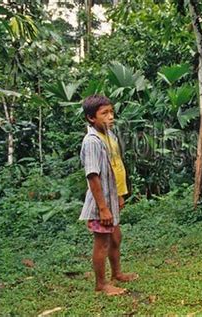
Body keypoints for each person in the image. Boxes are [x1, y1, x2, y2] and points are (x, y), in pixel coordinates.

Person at [79, 95, 138, 296]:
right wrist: (103, 208)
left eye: (111, 112)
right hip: (100, 203)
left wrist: (120, 196)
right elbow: (93, 176)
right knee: (102, 242)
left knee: (116, 237)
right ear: (91, 118)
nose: (110, 117)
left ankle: (117, 273)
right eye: (104, 113)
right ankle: (101, 284)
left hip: (112, 198)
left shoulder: (110, 136)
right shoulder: (92, 141)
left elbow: (115, 167)